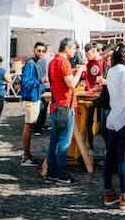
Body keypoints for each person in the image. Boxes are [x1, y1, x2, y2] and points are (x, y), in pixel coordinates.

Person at [46, 37, 85, 184]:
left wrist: (73, 71)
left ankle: (51, 173)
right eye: (74, 48)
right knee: (63, 142)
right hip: (64, 106)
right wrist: (79, 71)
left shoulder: (53, 61)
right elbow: (72, 84)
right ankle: (61, 174)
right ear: (67, 48)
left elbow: (58, 79)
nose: (75, 51)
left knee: (54, 142)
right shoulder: (64, 62)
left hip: (55, 105)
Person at [104, 44, 125, 209]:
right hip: (124, 118)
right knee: (123, 158)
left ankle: (108, 192)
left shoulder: (110, 71)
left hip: (112, 117)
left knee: (110, 157)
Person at [20, 42, 47, 166]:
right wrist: (39, 82)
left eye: (42, 51)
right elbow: (25, 83)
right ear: (34, 50)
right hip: (30, 99)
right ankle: (26, 157)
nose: (40, 53)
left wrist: (40, 86)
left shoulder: (34, 63)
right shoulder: (30, 64)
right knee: (28, 126)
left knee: (29, 127)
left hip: (33, 98)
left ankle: (27, 155)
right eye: (38, 50)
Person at [35, 43, 52, 134]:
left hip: (41, 85)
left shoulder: (39, 61)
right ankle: (39, 127)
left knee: (42, 107)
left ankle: (39, 126)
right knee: (46, 107)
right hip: (48, 85)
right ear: (48, 50)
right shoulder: (50, 60)